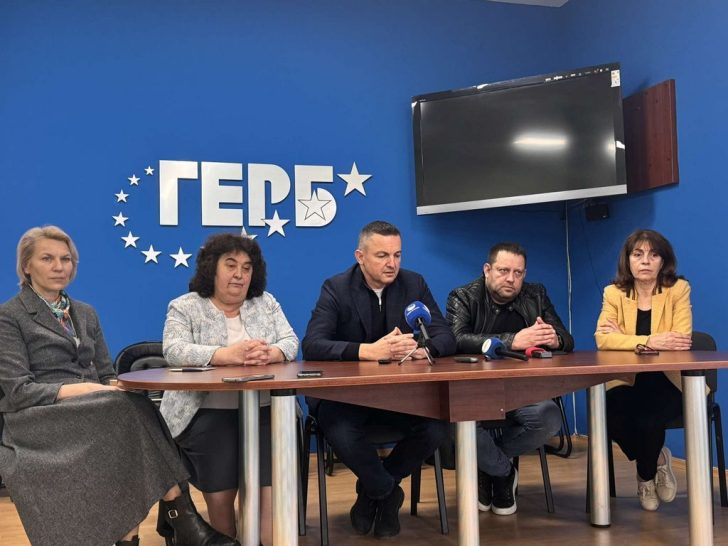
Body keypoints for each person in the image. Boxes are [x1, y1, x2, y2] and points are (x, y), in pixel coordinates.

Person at [0, 226, 239, 546]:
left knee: (134, 406)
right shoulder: (10, 316)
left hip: (91, 411)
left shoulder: (85, 313)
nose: (59, 267)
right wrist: (89, 390)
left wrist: (110, 387)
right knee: (126, 411)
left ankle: (153, 529)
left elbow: (105, 373)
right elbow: (18, 391)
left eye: (66, 259)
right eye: (47, 259)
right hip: (39, 418)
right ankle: (180, 513)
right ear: (26, 266)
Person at [301, 220, 455, 539]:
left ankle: (373, 491)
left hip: (399, 397)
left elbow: (445, 336)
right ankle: (388, 493)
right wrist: (367, 351)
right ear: (360, 257)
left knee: (437, 426)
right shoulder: (337, 288)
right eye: (382, 255)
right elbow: (313, 344)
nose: (392, 263)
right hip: (347, 399)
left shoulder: (413, 284)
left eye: (397, 255)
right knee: (339, 428)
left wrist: (422, 349)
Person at [160, 232, 299, 545]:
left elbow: (291, 341)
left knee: (269, 531)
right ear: (212, 268)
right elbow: (174, 350)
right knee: (224, 524)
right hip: (206, 414)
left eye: (247, 268)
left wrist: (272, 353)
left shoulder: (266, 303)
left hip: (267, 412)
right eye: (231, 265)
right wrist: (225, 355)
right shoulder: (185, 306)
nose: (240, 274)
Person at [446, 242, 572, 516]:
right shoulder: (463, 296)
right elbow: (455, 340)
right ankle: (503, 472)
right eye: (503, 271)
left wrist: (556, 339)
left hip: (523, 392)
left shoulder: (536, 295)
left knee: (549, 417)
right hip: (474, 393)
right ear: (487, 270)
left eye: (518, 273)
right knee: (456, 422)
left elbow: (566, 339)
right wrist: (512, 340)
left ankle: (487, 465)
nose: (511, 279)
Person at [595, 229, 692, 511]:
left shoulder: (678, 289)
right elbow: (603, 339)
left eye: (653, 254)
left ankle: (645, 477)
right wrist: (650, 341)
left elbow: (681, 339)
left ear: (664, 261)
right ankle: (658, 459)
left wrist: (624, 338)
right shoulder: (613, 293)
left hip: (667, 379)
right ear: (628, 260)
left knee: (649, 420)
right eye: (638, 254)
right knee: (607, 415)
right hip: (625, 378)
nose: (645, 261)